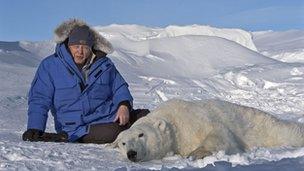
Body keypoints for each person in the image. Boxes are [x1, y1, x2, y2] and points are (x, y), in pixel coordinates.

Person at [22, 19, 149, 143]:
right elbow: (39, 98)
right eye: (76, 46)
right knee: (117, 131)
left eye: (85, 47)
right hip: (76, 128)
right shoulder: (50, 66)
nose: (80, 51)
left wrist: (124, 105)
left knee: (147, 117)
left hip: (109, 116)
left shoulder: (105, 65)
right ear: (68, 45)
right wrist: (35, 128)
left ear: (91, 48)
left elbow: (120, 88)